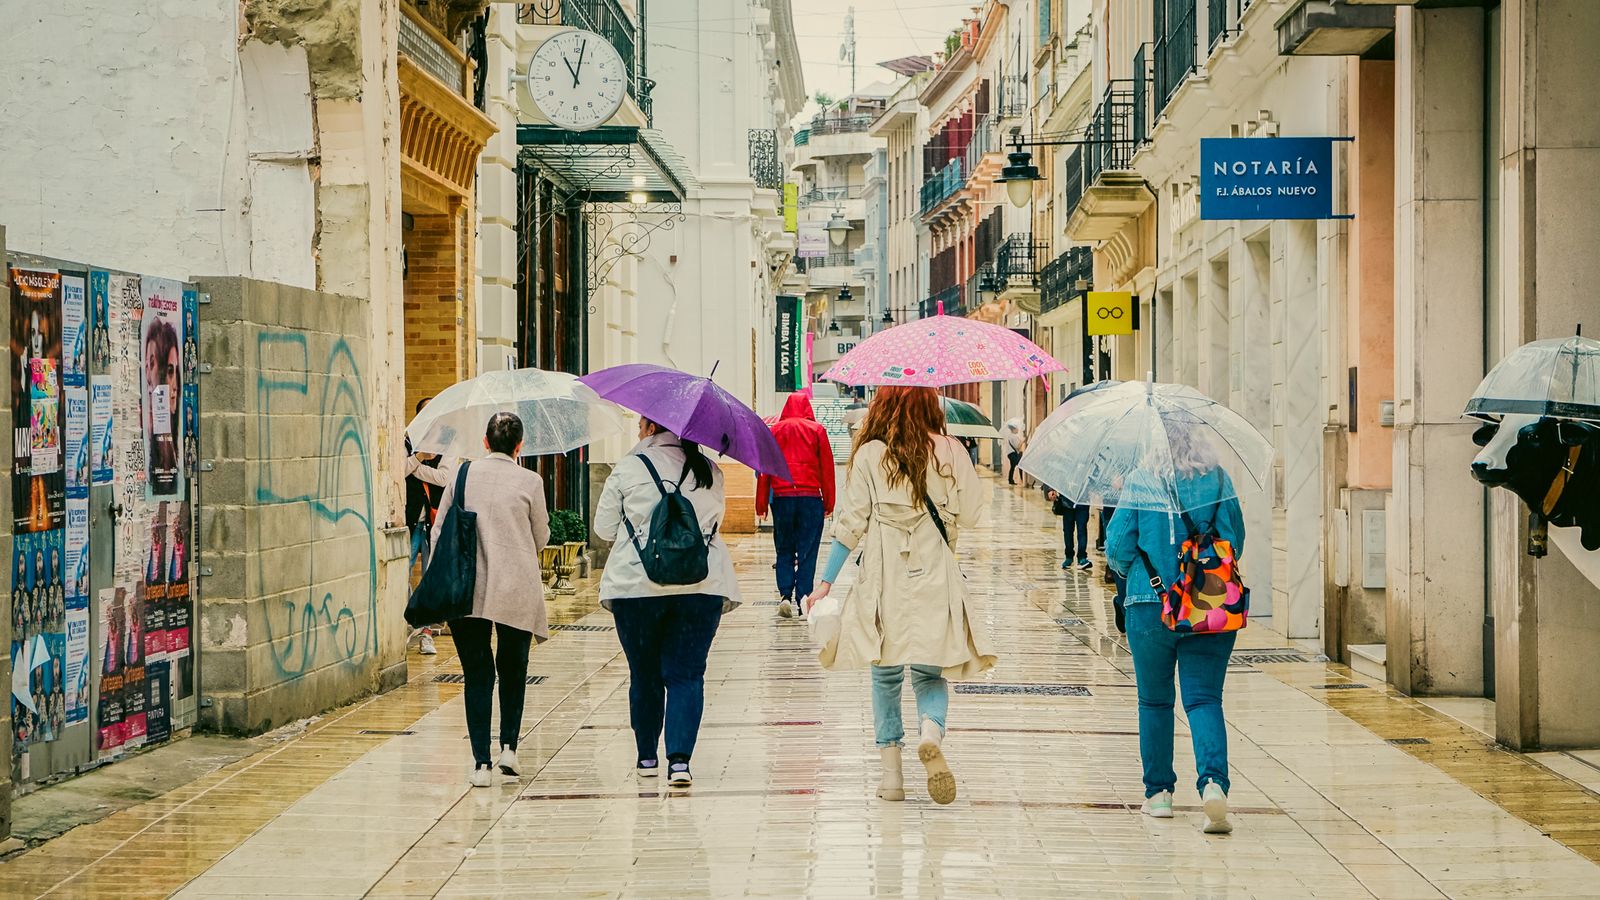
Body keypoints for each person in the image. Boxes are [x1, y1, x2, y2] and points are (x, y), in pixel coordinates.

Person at [805, 386, 994, 806]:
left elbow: (849, 526)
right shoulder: (951, 450)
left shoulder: (870, 454)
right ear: (931, 406)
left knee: (885, 675)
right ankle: (931, 732)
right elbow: (973, 513)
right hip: (935, 573)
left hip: (885, 575)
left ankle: (892, 779)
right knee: (930, 673)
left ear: (883, 406)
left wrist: (825, 583)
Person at [1105, 424, 1246, 835]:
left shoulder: (1142, 482)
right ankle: (1214, 785)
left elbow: (1117, 548)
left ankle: (1159, 795)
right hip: (1210, 605)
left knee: (1154, 702)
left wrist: (1152, 571)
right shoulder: (1219, 479)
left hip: (1150, 606)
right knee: (1204, 700)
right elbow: (1235, 541)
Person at [594, 417, 740, 789]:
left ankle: (646, 757)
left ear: (647, 426)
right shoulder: (709, 470)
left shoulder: (628, 467)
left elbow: (604, 530)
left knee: (644, 674)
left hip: (636, 588)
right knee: (687, 674)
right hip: (700, 587)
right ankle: (680, 762)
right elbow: (714, 523)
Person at [430, 412, 551, 788]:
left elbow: (440, 531)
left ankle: (481, 763)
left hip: (467, 589)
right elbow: (541, 537)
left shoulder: (462, 476)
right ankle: (509, 749)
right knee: (513, 669)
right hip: (515, 587)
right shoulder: (531, 481)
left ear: (484, 442)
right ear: (520, 446)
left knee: (478, 673)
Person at [756, 393, 836, 619]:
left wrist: (761, 504)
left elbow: (765, 469)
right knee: (808, 551)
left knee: (784, 548)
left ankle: (784, 595)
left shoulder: (774, 431)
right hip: (811, 499)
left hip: (782, 499)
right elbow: (827, 469)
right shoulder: (817, 431)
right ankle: (803, 598)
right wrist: (829, 502)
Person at [405, 397, 452, 655]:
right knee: (403, 573)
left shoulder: (449, 442)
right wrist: (419, 458)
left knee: (430, 576)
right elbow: (397, 469)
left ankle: (426, 634)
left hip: (435, 522)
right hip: (411, 520)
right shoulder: (406, 440)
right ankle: (412, 619)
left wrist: (414, 467)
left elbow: (443, 478)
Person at [1003, 418, 1025, 485]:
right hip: (1013, 454)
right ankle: (1022, 480)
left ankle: (1011, 480)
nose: (1018, 429)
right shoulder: (1013, 437)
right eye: (1017, 428)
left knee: (1012, 467)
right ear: (1013, 429)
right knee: (1020, 465)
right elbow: (1017, 447)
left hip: (1010, 454)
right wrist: (1022, 441)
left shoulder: (1010, 436)